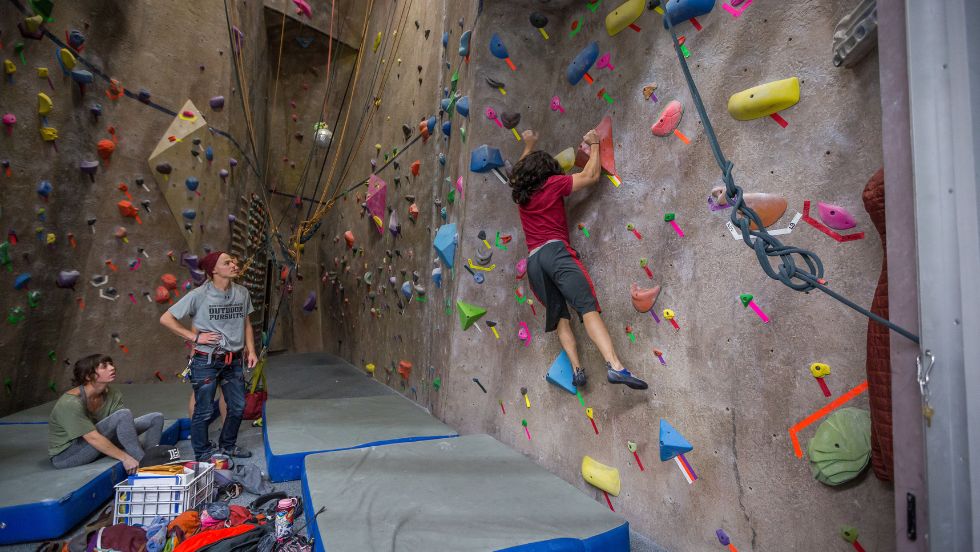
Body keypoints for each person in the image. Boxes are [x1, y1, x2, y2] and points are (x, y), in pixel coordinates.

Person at [510, 128, 650, 390]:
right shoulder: (552, 184)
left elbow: (516, 174)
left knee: (561, 317)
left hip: (534, 263)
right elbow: (591, 175)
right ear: (546, 171)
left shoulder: (522, 197)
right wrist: (595, 144)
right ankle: (615, 367)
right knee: (586, 308)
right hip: (555, 253)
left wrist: (528, 144)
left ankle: (577, 370)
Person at [159, 251, 258, 461]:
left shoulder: (242, 293)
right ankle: (203, 452)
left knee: (238, 406)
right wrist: (195, 338)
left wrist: (252, 349)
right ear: (213, 270)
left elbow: (246, 323)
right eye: (227, 262)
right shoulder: (199, 295)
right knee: (203, 410)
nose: (234, 264)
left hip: (234, 360)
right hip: (206, 361)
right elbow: (166, 319)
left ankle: (228, 445)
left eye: (233, 260)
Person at [49, 354, 164, 473]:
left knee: (156, 417)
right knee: (123, 414)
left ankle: (151, 456)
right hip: (68, 456)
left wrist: (132, 446)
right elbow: (92, 438)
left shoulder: (112, 393)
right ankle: (146, 465)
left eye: (111, 364)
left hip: (96, 442)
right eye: (104, 366)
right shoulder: (70, 403)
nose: (112, 368)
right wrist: (125, 458)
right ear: (89, 376)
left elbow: (122, 428)